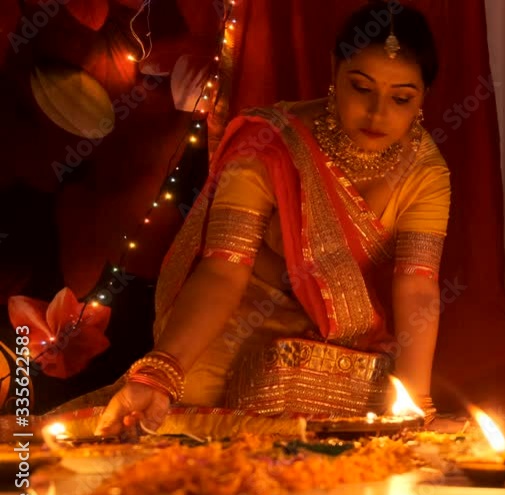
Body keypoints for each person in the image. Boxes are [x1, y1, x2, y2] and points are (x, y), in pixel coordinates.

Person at [92, 2, 452, 435]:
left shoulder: (425, 173)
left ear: (424, 96)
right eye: (361, 87)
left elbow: (417, 287)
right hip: (241, 315)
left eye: (401, 98)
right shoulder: (270, 142)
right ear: (334, 70)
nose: (378, 113)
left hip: (338, 336)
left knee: (368, 421)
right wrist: (161, 372)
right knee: (182, 410)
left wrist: (417, 407)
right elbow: (224, 267)